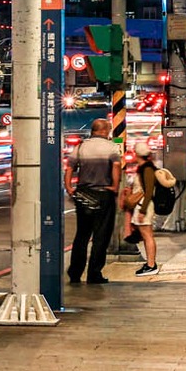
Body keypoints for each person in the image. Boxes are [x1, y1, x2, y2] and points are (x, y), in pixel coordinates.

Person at [66, 118, 122, 284]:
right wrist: (114, 186)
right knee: (101, 236)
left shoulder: (81, 147)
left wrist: (69, 188)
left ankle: (75, 274)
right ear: (105, 130)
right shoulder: (111, 147)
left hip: (83, 194)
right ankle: (94, 274)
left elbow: (69, 168)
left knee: (82, 235)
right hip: (103, 194)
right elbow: (116, 167)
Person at [125, 145, 164, 277]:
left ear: (137, 155)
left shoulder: (147, 169)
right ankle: (150, 263)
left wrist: (142, 211)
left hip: (144, 206)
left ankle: (151, 265)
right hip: (142, 206)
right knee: (146, 234)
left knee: (147, 236)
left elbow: (148, 192)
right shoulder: (144, 168)